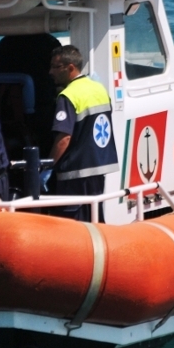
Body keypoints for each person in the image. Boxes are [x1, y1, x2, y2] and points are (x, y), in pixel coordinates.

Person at [48, 45, 118, 221]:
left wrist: (48, 167)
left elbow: (64, 138)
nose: (50, 72)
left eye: (55, 67)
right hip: (98, 169)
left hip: (75, 174)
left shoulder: (68, 95)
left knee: (73, 226)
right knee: (96, 219)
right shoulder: (98, 88)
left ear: (70, 67)